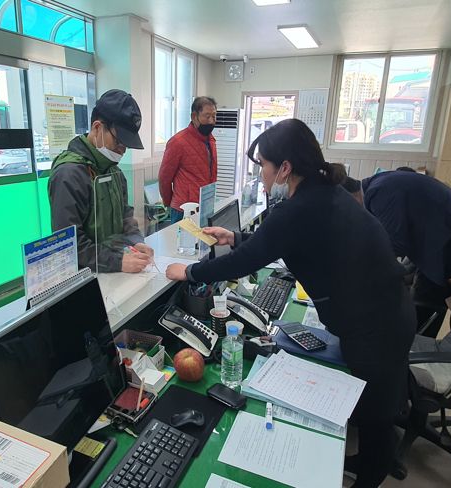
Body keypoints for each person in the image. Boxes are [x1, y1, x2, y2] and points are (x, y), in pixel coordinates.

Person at [166, 119, 415, 488]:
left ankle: (369, 474)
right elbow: (279, 240)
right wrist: (236, 236)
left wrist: (189, 273)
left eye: (263, 165)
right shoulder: (324, 193)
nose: (261, 173)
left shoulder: (300, 208)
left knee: (376, 420)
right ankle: (369, 460)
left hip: (376, 329)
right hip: (388, 314)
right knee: (375, 413)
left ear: (284, 168)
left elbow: (250, 259)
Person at [360, 170, 451, 337]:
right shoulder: (381, 183)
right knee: (417, 292)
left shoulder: (380, 192)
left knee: (425, 300)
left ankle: (414, 348)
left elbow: (394, 244)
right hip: (442, 238)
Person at [48, 89, 153, 273]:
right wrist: (118, 262)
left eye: (127, 145)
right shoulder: (69, 174)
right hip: (86, 276)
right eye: (119, 141)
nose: (122, 150)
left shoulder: (114, 171)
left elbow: (125, 215)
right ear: (97, 128)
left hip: (114, 270)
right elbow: (69, 244)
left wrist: (136, 240)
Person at [158, 97, 218, 222]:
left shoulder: (210, 140)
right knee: (181, 241)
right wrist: (169, 204)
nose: (212, 121)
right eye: (207, 116)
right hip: (184, 209)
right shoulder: (178, 142)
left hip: (205, 205)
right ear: (194, 116)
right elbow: (164, 177)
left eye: (214, 116)